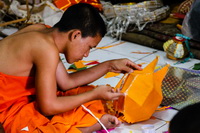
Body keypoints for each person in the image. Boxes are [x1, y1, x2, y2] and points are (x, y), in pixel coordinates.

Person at [0, 3, 142, 133]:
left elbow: (66, 83)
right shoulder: (45, 48)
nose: (86, 55)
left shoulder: (42, 31)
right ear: (75, 35)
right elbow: (48, 107)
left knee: (87, 95)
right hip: (5, 109)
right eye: (88, 47)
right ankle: (87, 127)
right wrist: (94, 94)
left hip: (18, 100)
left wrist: (110, 65)